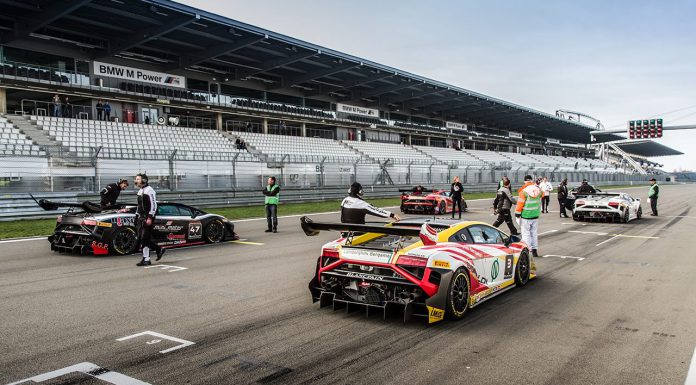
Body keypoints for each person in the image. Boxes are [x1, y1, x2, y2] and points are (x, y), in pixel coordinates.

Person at [134, 173, 165, 266]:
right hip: (141, 217)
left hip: (148, 216)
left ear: (144, 180)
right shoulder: (140, 191)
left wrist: (150, 217)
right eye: (136, 179)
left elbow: (154, 205)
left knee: (144, 238)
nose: (136, 181)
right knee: (140, 238)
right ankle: (159, 249)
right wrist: (136, 216)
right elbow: (139, 206)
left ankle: (146, 259)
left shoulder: (150, 190)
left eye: (138, 179)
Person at [514, 175, 542, 258]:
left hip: (526, 215)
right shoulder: (538, 190)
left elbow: (520, 204)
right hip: (535, 215)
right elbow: (543, 194)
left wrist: (517, 214)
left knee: (526, 234)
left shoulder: (523, 191)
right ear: (531, 181)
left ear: (524, 181)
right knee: (534, 233)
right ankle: (535, 251)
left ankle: (528, 251)